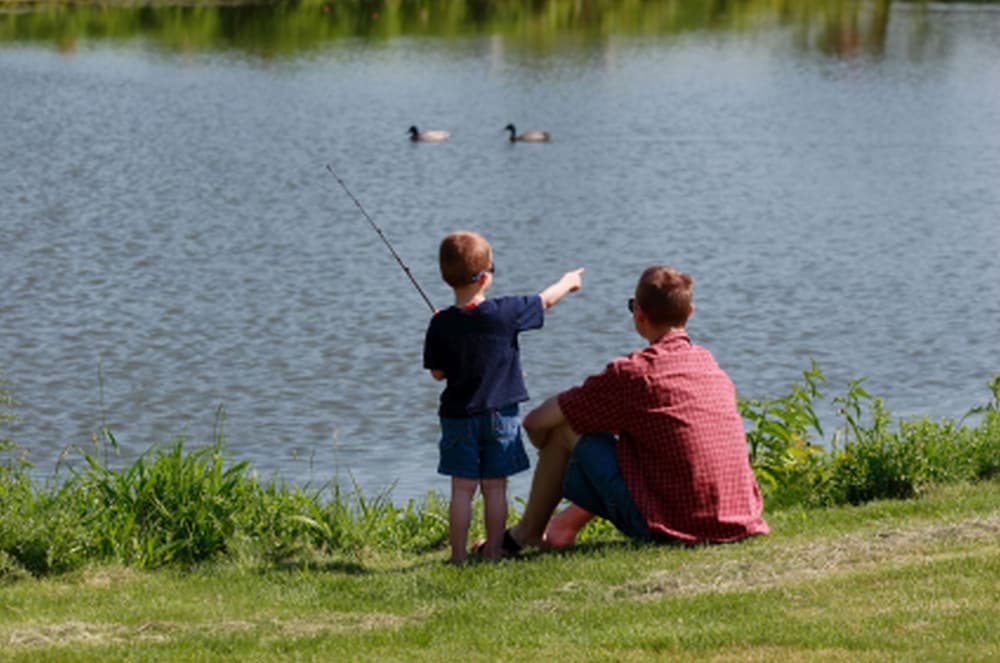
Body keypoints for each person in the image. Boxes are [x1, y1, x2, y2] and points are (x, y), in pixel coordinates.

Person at [500, 265, 769, 554]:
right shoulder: (708, 364)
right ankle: (560, 526)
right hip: (739, 519)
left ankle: (526, 532)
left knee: (566, 425)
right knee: (628, 442)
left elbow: (534, 423)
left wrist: (557, 453)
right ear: (689, 312)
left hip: (675, 526)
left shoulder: (633, 373)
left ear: (639, 314)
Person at [423, 230, 583, 564]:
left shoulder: (439, 324)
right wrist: (568, 281)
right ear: (484, 278)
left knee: (462, 490)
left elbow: (438, 373)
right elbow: (545, 300)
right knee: (495, 488)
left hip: (457, 418)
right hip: (501, 416)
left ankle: (456, 557)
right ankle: (494, 553)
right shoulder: (506, 312)